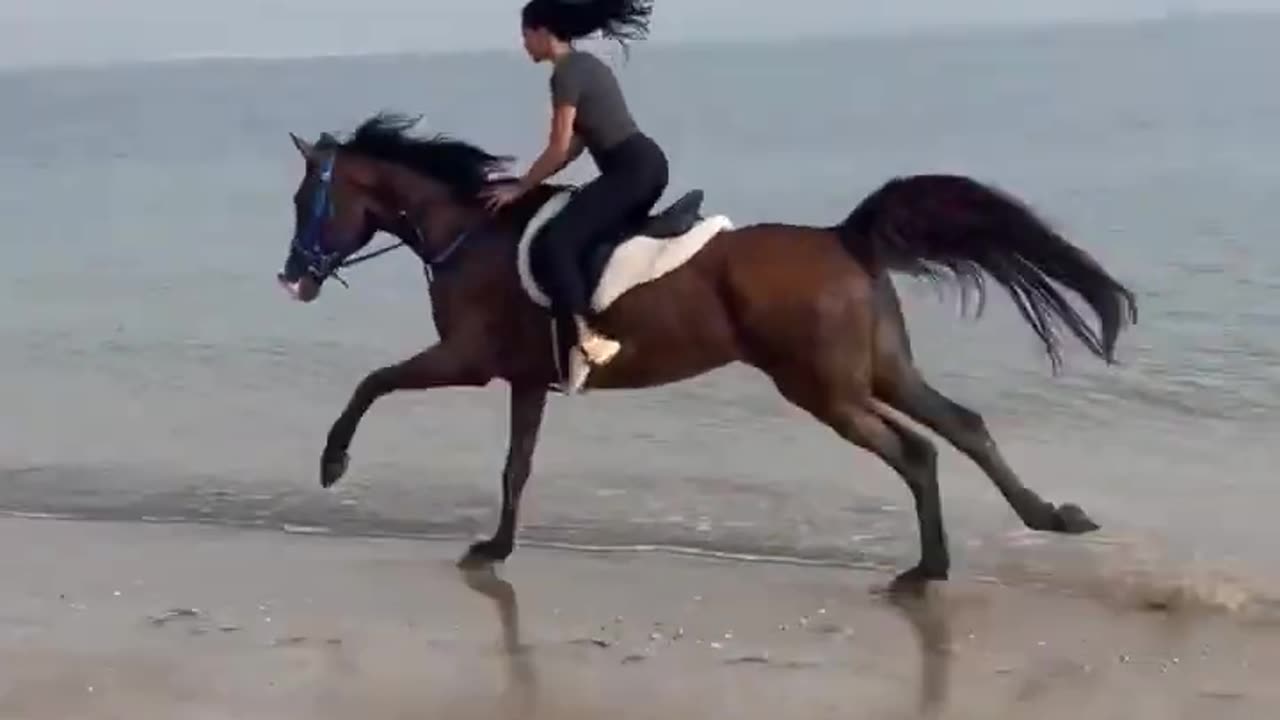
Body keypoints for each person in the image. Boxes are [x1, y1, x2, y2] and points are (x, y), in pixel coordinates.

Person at [481, 0, 668, 394]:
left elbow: (557, 145)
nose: (524, 45)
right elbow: (574, 149)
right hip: (646, 166)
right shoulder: (587, 66)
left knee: (557, 242)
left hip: (630, 171)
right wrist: (530, 181)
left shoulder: (565, 75)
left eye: (525, 36)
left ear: (541, 32)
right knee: (583, 230)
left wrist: (520, 187)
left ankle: (586, 340)